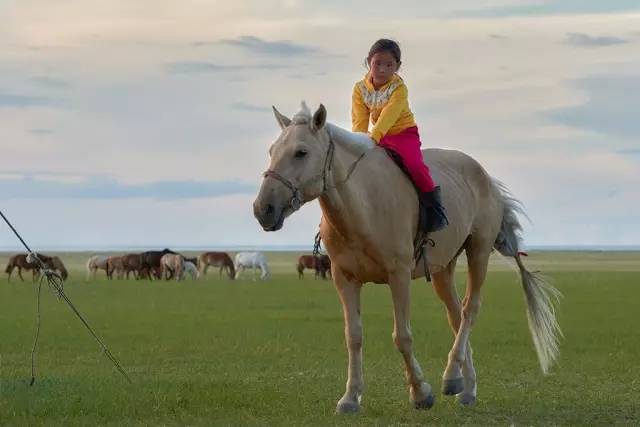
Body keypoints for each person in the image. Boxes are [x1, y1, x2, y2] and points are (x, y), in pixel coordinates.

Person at [352, 38, 448, 234]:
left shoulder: (398, 88)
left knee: (415, 166)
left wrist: (373, 138)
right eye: (377, 63)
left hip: (403, 134)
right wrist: (358, 144)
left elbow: (389, 116)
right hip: (377, 135)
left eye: (389, 65)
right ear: (368, 61)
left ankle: (434, 207)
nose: (382, 69)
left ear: (398, 67)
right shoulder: (359, 89)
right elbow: (359, 120)